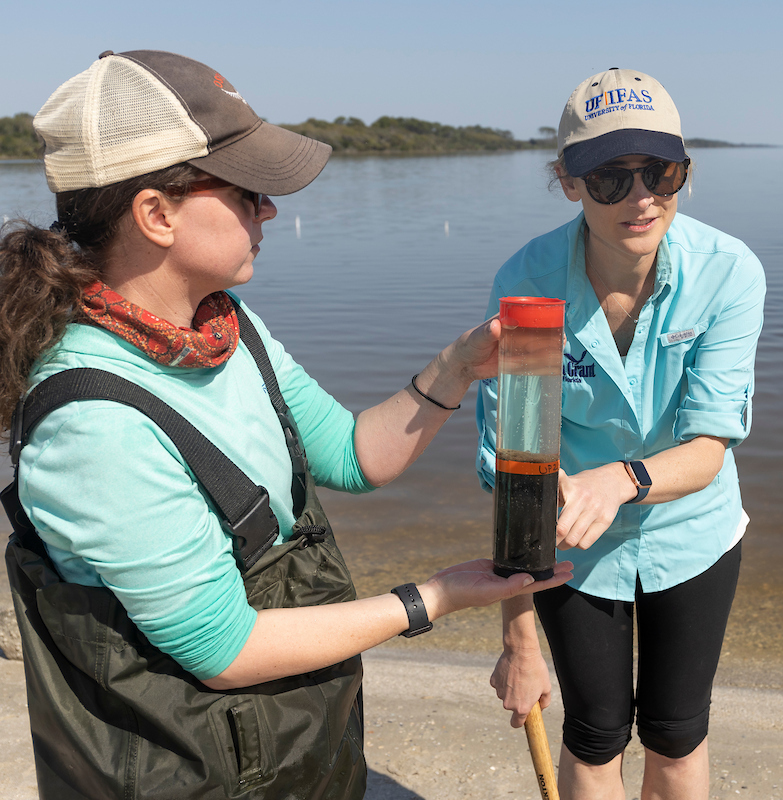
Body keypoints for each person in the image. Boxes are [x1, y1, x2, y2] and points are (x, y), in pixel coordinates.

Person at [0, 49, 571, 800]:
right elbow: (224, 649)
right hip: (184, 767)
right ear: (156, 213)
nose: (269, 209)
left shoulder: (226, 330)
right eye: (247, 191)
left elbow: (352, 454)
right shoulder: (93, 423)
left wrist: (456, 367)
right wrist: (430, 599)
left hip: (284, 747)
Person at [478, 69, 766, 799]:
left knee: (677, 733)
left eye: (659, 172)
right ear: (568, 182)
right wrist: (518, 640)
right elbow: (518, 479)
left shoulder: (729, 273)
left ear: (685, 172)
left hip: (693, 531)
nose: (640, 199)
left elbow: (707, 448)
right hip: (573, 547)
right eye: (609, 177)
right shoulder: (528, 285)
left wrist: (625, 479)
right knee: (596, 732)